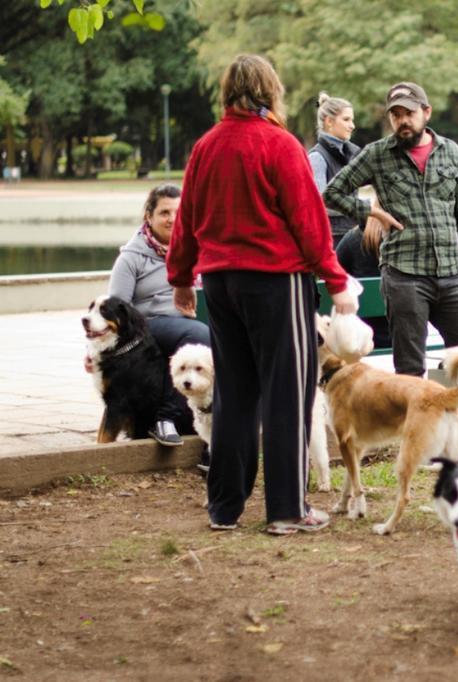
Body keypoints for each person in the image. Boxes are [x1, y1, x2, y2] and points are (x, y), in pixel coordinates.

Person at [166, 54, 358, 535]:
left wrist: (181, 279)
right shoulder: (280, 144)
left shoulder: (206, 145)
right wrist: (336, 281)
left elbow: (186, 217)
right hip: (275, 280)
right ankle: (286, 510)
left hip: (220, 283)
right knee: (287, 393)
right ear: (271, 91)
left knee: (234, 392)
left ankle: (224, 509)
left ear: (228, 91)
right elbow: (309, 221)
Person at [323, 81, 458, 439]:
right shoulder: (377, 154)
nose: (402, 121)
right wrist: (369, 212)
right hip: (404, 276)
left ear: (426, 113)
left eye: (409, 113)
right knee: (411, 371)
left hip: (451, 273)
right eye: (395, 115)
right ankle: (422, 439)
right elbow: (332, 191)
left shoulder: (452, 153)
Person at [97, 183, 211, 450]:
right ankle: (165, 419)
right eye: (164, 213)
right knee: (198, 335)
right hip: (151, 325)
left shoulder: (198, 247)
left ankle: (217, 434)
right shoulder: (132, 257)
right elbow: (116, 309)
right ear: (149, 216)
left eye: (178, 212)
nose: (172, 219)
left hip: (194, 318)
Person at [308, 92, 361, 249]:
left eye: (352, 120)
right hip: (331, 239)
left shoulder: (352, 153)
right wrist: (362, 208)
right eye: (346, 120)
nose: (352, 125)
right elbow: (321, 204)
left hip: (352, 234)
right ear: (329, 122)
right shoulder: (317, 157)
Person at [335, 216, 392, 349]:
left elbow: (334, 274)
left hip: (360, 338)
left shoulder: (353, 239)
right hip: (405, 337)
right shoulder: (407, 241)